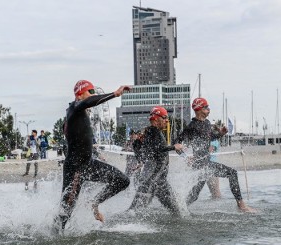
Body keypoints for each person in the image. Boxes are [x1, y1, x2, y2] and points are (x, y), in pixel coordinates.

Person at [54, 80, 131, 231]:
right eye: (90, 92)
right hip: (75, 168)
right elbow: (87, 102)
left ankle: (94, 203)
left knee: (122, 180)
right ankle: (54, 237)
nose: (92, 95)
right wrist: (114, 94)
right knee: (65, 213)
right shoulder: (74, 108)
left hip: (89, 164)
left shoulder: (79, 113)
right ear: (80, 94)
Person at [174, 97, 255, 212]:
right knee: (232, 173)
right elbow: (176, 143)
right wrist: (185, 157)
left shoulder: (207, 123)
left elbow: (210, 136)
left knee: (195, 194)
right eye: (206, 107)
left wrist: (220, 133)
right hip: (200, 164)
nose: (209, 109)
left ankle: (179, 209)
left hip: (206, 163)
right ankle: (241, 206)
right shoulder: (191, 126)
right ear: (199, 109)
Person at [129, 106, 184, 213]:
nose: (167, 120)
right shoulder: (152, 131)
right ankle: (119, 226)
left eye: (167, 118)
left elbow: (136, 145)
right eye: (164, 118)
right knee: (135, 210)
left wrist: (141, 160)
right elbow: (156, 148)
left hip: (160, 181)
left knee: (176, 211)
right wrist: (173, 147)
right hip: (153, 180)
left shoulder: (150, 132)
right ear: (155, 119)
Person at [206, 135, 222, 199]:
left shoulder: (213, 141)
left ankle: (218, 206)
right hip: (208, 167)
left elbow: (209, 151)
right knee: (213, 191)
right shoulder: (211, 140)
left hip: (212, 167)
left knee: (216, 192)